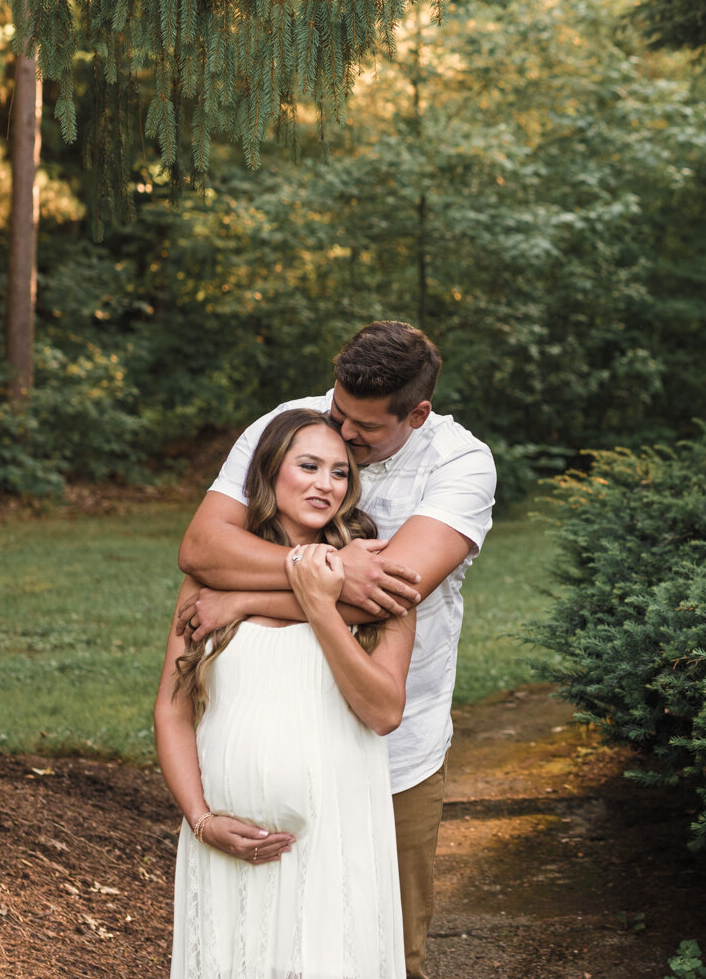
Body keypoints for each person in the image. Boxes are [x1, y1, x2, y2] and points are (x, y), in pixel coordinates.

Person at [176, 321, 496, 979]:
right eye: (337, 411)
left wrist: (238, 599)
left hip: (394, 757)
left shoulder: (460, 464)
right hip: (272, 751)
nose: (342, 435)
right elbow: (201, 549)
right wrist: (321, 569)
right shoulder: (290, 426)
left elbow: (378, 601)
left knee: (381, 952)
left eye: (363, 431)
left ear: (417, 413)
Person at [153, 407, 414, 979]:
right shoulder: (210, 577)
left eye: (340, 472)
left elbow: (384, 710)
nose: (325, 484)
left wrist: (319, 604)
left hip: (332, 845)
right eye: (309, 466)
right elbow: (171, 713)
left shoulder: (375, 571)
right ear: (270, 471)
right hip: (223, 846)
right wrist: (200, 820)